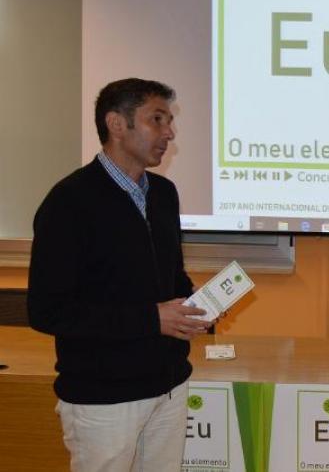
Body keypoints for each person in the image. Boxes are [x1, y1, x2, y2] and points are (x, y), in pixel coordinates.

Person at [27, 78, 212, 472]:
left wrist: (197, 305)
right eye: (157, 119)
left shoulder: (164, 194)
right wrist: (152, 319)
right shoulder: (69, 202)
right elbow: (47, 311)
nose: (169, 132)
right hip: (104, 400)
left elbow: (170, 277)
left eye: (169, 121)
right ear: (116, 124)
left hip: (169, 387)